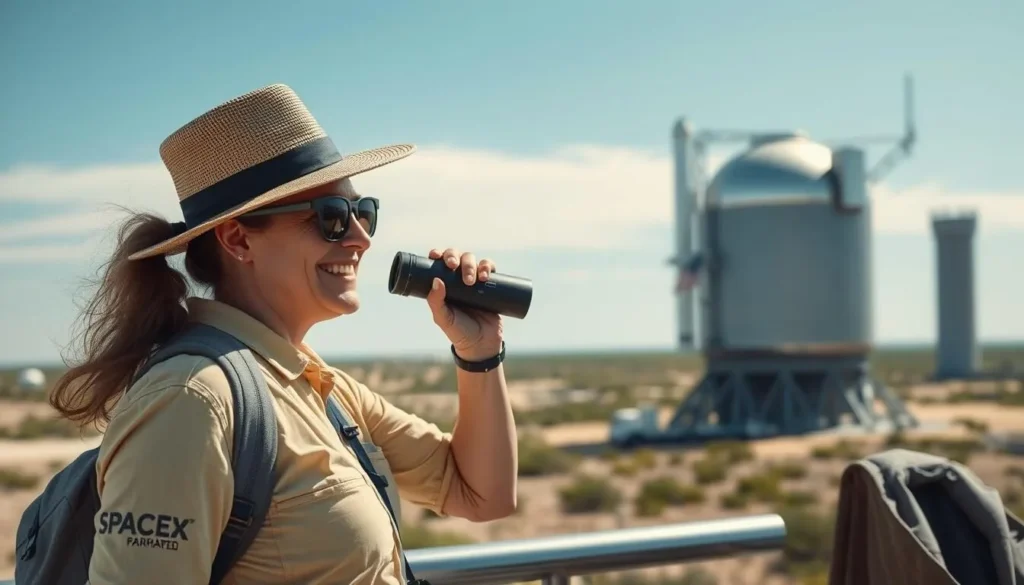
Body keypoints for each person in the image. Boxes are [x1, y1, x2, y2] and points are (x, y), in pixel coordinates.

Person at [49, 83, 518, 584]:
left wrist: (479, 351)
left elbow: (481, 493)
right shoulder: (191, 401)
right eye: (331, 218)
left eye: (364, 213)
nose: (360, 238)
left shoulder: (317, 386)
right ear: (237, 239)